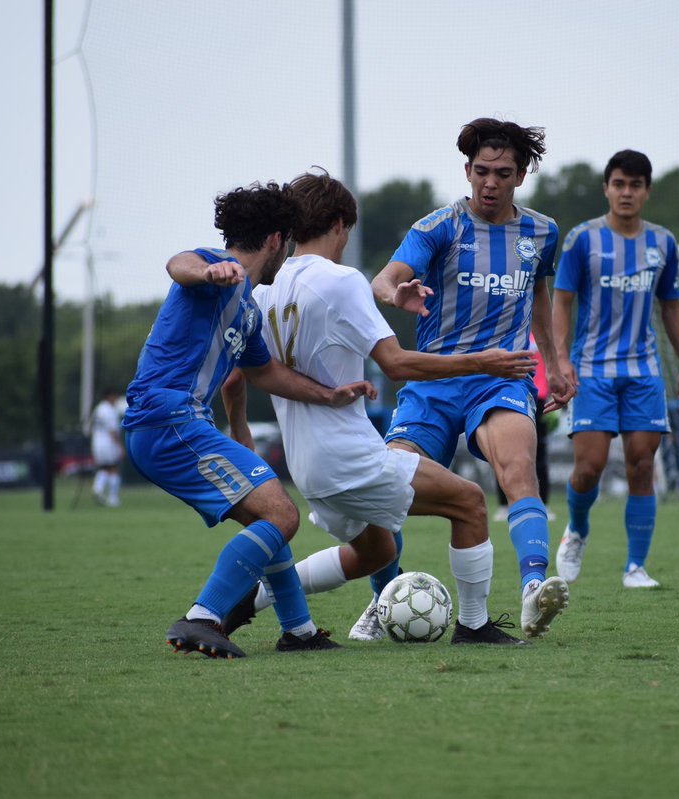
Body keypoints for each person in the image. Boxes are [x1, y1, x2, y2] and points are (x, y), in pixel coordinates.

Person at [168, 169, 538, 646]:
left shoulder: (263, 289)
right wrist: (481, 362)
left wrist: (241, 433)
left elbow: (238, 378)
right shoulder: (341, 280)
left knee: (376, 552)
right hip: (349, 458)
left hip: (305, 466)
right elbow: (397, 364)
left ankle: (254, 598)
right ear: (341, 225)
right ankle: (473, 625)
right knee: (468, 502)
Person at [122, 180, 375, 659]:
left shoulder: (251, 310)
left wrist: (330, 394)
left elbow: (266, 373)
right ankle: (202, 617)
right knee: (282, 515)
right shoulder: (217, 270)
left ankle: (297, 632)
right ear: (278, 240)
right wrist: (209, 270)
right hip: (167, 418)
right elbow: (179, 265)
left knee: (268, 517)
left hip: (174, 423)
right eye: (290, 241)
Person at [370, 117, 575, 638]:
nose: (490, 183)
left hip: (500, 377)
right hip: (434, 379)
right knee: (389, 492)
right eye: (481, 171)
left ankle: (532, 589)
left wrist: (553, 361)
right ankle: (383, 601)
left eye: (503, 173)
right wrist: (398, 295)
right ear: (466, 170)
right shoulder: (437, 227)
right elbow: (384, 279)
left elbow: (537, 295)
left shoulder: (543, 232)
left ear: (521, 176)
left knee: (518, 468)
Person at [550, 149, 679, 589]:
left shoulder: (663, 243)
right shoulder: (582, 240)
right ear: (607, 188)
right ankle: (577, 529)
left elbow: (671, 306)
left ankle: (636, 567)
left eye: (635, 185)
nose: (626, 192)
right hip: (592, 370)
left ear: (647, 191)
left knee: (640, 466)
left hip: (643, 372)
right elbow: (561, 300)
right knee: (589, 468)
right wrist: (560, 359)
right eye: (619, 184)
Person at [493, 334, 555, 523]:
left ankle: (543, 503)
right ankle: (504, 505)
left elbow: (550, 363)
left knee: (538, 454)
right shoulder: (506, 330)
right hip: (508, 394)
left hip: (538, 397)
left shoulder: (540, 334)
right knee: (503, 452)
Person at [90, 387, 124, 507]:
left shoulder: (98, 409)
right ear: (110, 396)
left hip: (97, 443)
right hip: (108, 443)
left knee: (104, 468)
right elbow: (112, 431)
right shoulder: (109, 410)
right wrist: (120, 446)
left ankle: (98, 488)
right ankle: (113, 498)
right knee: (114, 469)